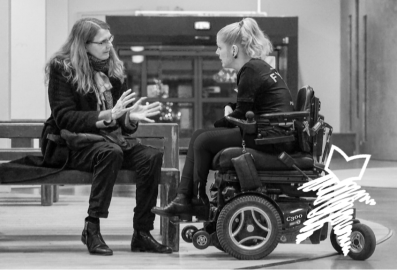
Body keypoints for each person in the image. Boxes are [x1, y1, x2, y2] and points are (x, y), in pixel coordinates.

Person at [42, 18, 172, 255]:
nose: (108, 46)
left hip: (108, 141)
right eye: (102, 42)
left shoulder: (113, 70)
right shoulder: (62, 68)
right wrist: (109, 114)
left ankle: (142, 233)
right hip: (70, 144)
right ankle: (92, 227)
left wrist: (130, 118)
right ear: (84, 44)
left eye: (109, 40)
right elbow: (65, 118)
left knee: (151, 156)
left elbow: (119, 120)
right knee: (110, 153)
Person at [152, 18, 295, 220]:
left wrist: (226, 117)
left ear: (234, 50)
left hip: (270, 138)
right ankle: (186, 199)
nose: (217, 52)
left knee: (203, 139)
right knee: (201, 136)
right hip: (272, 133)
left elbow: (239, 118)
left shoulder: (250, 70)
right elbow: (247, 110)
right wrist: (231, 114)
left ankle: (194, 200)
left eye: (220, 48)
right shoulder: (257, 67)